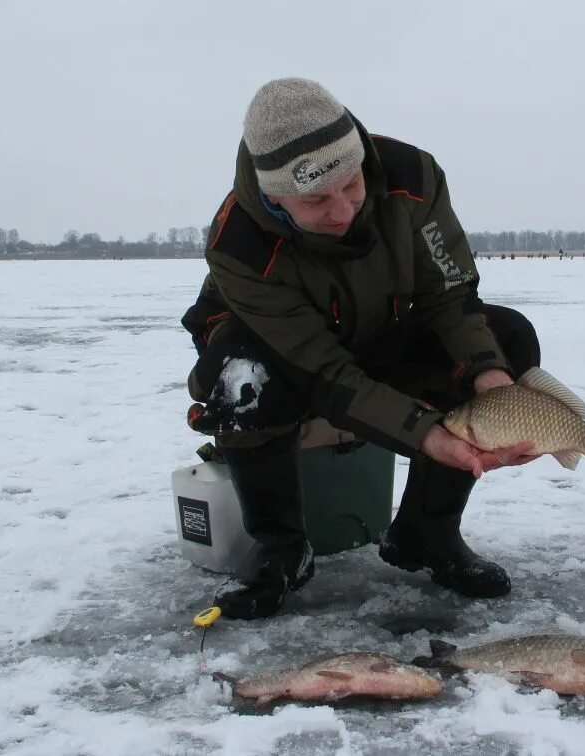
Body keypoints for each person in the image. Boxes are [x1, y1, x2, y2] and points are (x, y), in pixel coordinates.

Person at [181, 78, 540, 620]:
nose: (344, 210)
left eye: (352, 185)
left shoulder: (413, 179)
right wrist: (427, 434)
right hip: (293, 359)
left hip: (381, 331)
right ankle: (281, 548)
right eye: (317, 199)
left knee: (505, 337)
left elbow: (447, 294)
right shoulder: (239, 245)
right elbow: (324, 371)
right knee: (242, 376)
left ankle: (427, 532)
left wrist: (490, 378)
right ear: (273, 195)